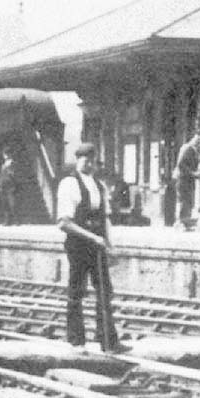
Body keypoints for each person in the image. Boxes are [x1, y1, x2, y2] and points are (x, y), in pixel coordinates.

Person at [56, 143, 128, 353]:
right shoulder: (69, 184)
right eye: (84, 159)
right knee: (77, 290)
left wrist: (109, 245)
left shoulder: (99, 185)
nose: (89, 163)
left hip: (97, 246)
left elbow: (104, 219)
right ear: (77, 160)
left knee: (105, 291)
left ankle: (109, 341)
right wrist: (92, 237)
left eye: (92, 159)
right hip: (78, 245)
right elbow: (64, 222)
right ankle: (76, 340)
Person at [172, 134, 200, 229]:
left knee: (187, 201)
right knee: (185, 201)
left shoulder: (190, 149)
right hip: (184, 180)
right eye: (199, 142)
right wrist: (193, 173)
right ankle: (182, 223)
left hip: (187, 180)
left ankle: (184, 223)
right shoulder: (188, 149)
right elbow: (181, 164)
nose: (199, 145)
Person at [0, 147, 19, 225]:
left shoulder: (13, 163)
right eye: (4, 154)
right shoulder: (3, 165)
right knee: (5, 204)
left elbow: (14, 174)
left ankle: (16, 220)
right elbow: (1, 177)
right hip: (3, 186)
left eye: (6, 154)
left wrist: (9, 171)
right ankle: (7, 221)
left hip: (11, 186)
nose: (5, 155)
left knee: (12, 204)